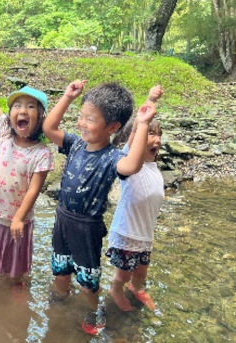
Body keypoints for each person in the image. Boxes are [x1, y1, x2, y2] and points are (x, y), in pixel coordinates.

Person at [42, 80, 157, 335]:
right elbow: (48, 128)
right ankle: (59, 302)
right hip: (62, 219)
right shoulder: (75, 144)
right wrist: (67, 97)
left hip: (87, 228)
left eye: (90, 119)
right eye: (81, 117)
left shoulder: (112, 157)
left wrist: (143, 124)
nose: (82, 123)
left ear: (113, 127)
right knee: (60, 268)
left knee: (88, 281)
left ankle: (92, 313)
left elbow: (133, 166)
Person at [0, 50, 54, 283]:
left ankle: (16, 295)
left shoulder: (41, 153)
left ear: (41, 117)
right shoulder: (5, 133)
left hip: (18, 219)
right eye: (17, 106)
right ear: (10, 116)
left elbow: (34, 191)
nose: (22, 111)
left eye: (31, 107)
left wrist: (18, 218)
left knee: (15, 274)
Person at [106, 86, 164, 312]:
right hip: (128, 232)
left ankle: (137, 289)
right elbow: (133, 135)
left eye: (159, 134)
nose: (156, 138)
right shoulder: (131, 164)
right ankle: (116, 289)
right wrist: (149, 100)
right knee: (124, 273)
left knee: (141, 270)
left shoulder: (153, 167)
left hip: (145, 233)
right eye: (151, 133)